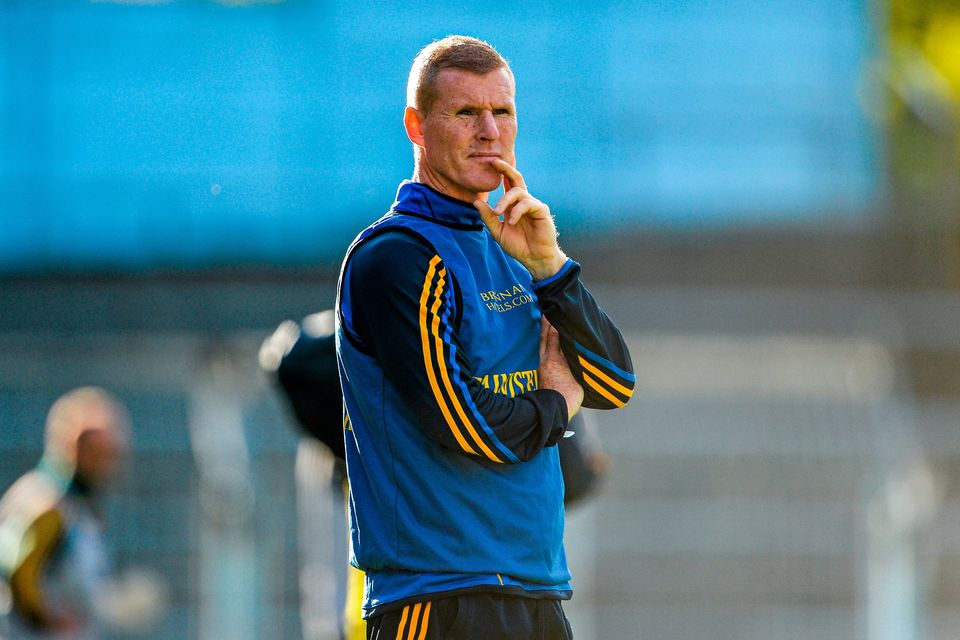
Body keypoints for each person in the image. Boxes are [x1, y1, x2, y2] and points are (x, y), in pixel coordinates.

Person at [335, 35, 635, 639]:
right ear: (417, 127)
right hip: (436, 598)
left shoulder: (515, 245)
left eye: (502, 111)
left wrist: (552, 268)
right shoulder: (397, 256)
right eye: (465, 112)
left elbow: (613, 381)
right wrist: (554, 403)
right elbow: (461, 421)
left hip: (535, 588)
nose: (489, 131)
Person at [0, 387, 164, 639]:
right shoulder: (46, 503)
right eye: (100, 454)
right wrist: (48, 619)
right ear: (72, 445)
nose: (108, 466)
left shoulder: (76, 505)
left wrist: (111, 602)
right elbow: (16, 576)